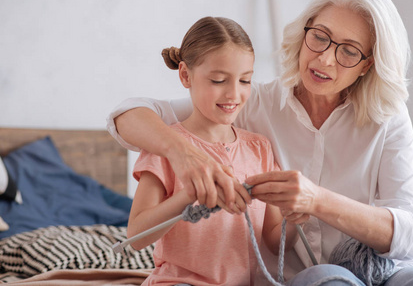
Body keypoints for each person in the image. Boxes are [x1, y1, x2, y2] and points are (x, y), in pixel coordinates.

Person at [108, 0, 413, 285]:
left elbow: (411, 233)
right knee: (328, 280)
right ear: (303, 34)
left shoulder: (387, 119)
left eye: (348, 51)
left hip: (385, 266)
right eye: (319, 37)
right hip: (313, 277)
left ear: (367, 64)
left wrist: (317, 201)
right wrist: (186, 157)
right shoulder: (248, 103)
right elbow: (128, 115)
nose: (326, 58)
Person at [127, 16, 300, 286]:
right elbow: (136, 236)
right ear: (186, 75)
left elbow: (274, 240)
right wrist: (189, 195)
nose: (234, 94)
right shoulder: (166, 146)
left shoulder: (260, 148)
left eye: (245, 81)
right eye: (219, 80)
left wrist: (297, 220)